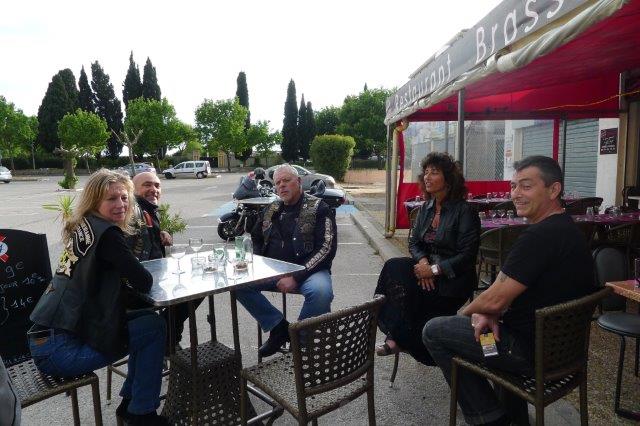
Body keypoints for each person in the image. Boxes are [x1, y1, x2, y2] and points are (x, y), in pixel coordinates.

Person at [423, 156, 596, 426]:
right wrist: (488, 311)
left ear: (554, 190)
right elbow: (502, 296)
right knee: (485, 333)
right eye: (513, 186)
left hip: (525, 353)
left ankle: (490, 419)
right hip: (560, 352)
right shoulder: (567, 229)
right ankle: (514, 418)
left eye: (526, 186)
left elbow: (494, 298)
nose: (516, 194)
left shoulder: (539, 237)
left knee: (435, 331)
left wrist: (467, 316)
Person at [28, 169, 168, 425]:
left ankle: (132, 404)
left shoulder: (86, 225)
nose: (121, 204)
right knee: (154, 328)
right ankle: (142, 414)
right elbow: (144, 281)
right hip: (60, 351)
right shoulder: (108, 235)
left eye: (124, 198)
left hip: (45, 339)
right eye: (111, 199)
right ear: (94, 201)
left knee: (148, 321)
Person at [374, 152, 480, 365]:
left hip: (453, 278)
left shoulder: (465, 210)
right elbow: (414, 243)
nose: (427, 177)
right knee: (393, 266)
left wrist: (434, 270)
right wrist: (423, 263)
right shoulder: (426, 208)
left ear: (448, 179)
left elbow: (467, 256)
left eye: (434, 172)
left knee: (414, 296)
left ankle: (402, 339)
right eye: (426, 172)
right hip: (426, 270)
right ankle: (400, 334)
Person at [235, 163, 337, 358]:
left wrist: (296, 277)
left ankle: (299, 340)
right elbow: (256, 237)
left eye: (286, 181)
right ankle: (278, 327)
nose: (281, 185)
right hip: (273, 269)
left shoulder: (319, 208)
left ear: (298, 181)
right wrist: (256, 261)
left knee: (321, 292)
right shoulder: (271, 208)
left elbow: (326, 247)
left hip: (309, 270)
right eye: (278, 182)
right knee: (237, 283)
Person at [127, 171, 202, 350]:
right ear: (132, 190)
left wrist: (160, 233)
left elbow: (145, 238)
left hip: (154, 276)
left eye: (157, 185)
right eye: (147, 185)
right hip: (137, 288)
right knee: (193, 290)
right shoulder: (131, 212)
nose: (154, 189)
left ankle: (169, 337)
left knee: (196, 287)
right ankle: (167, 339)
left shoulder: (148, 210)